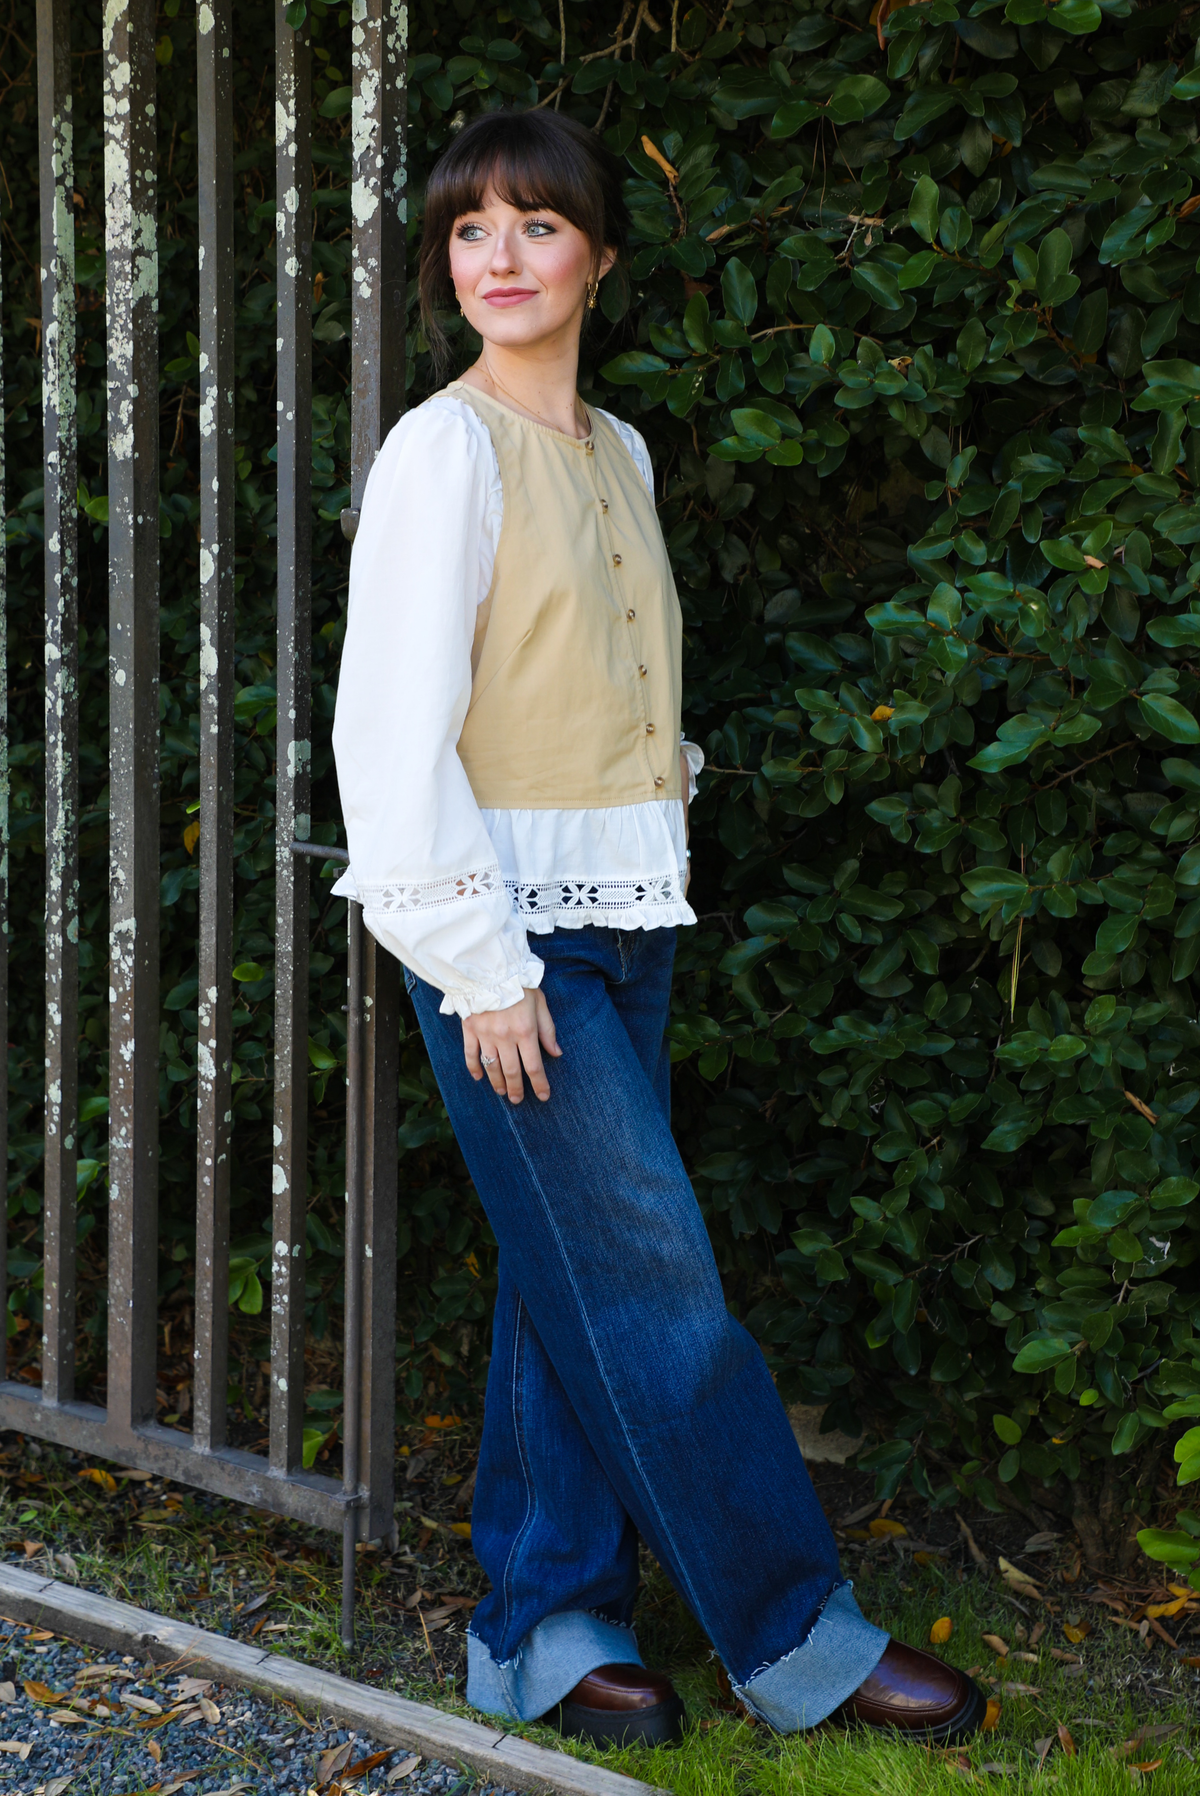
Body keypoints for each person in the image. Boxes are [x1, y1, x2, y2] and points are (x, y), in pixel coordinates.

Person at [331, 106, 984, 1750]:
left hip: (631, 917)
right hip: (510, 946)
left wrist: (657, 811)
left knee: (576, 1287)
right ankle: (798, 1643)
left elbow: (615, 673)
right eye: (470, 229)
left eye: (536, 227)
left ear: (598, 258)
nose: (500, 257)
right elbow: (386, 730)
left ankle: (542, 1628)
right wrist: (475, 962)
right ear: (446, 261)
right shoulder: (443, 450)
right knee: (663, 1294)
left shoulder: (613, 452)